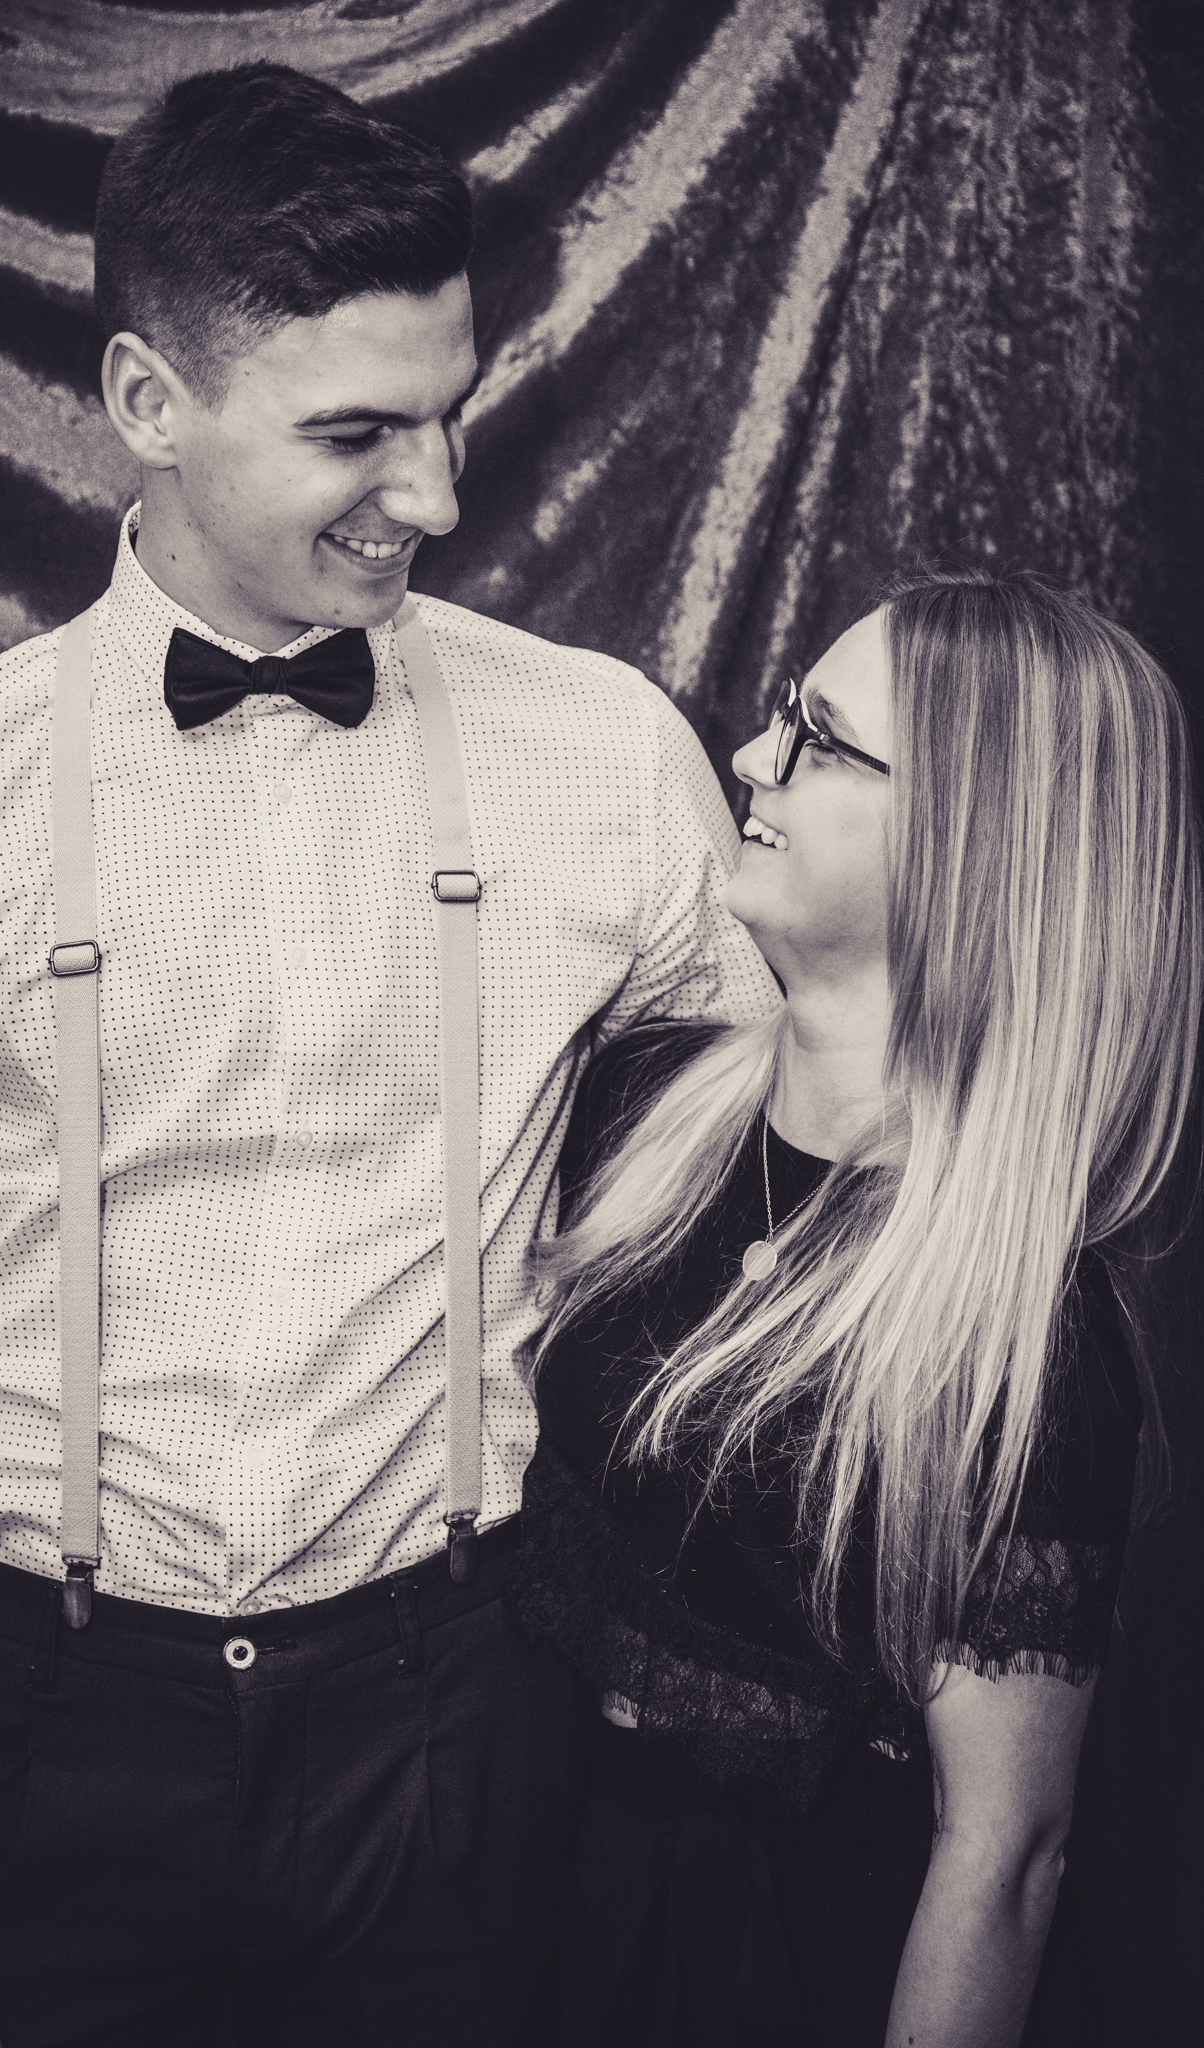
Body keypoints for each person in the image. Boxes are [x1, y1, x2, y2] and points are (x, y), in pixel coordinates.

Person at [0, 63, 780, 2048]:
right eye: (352, 434)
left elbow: (792, 1149)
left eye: (447, 414)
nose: (431, 497)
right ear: (147, 402)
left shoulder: (604, 753)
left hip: (462, 1721)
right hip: (39, 1723)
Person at [511, 571, 1202, 2046]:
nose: (751, 758)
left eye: (819, 740)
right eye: (785, 716)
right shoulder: (641, 1102)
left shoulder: (1027, 1342)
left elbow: (1002, 1855)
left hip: (799, 1973)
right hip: (555, 1914)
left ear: (973, 840)